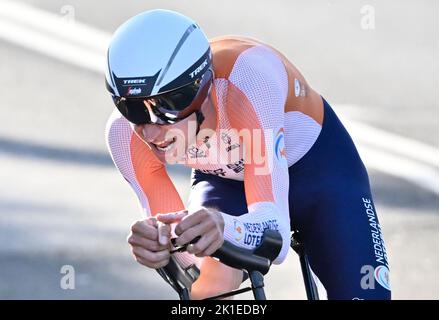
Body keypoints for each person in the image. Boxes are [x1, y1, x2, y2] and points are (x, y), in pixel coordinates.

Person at [105, 9, 391, 300]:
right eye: (131, 108)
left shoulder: (250, 80)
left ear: (200, 89)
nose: (150, 134)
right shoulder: (123, 133)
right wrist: (162, 252)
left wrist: (224, 226)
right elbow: (188, 270)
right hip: (226, 181)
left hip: (320, 172)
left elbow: (274, 236)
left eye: (163, 110)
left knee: (366, 295)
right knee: (206, 291)